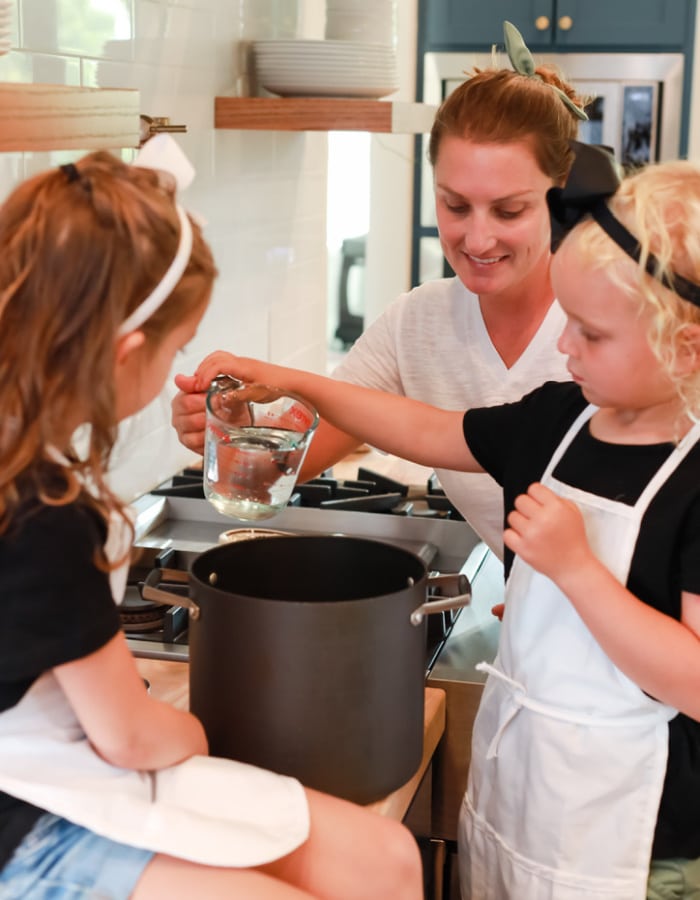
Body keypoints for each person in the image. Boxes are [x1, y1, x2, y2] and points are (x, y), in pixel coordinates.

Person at [178, 147, 700, 899]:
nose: (563, 346)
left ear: (683, 348)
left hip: (638, 846)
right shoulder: (566, 419)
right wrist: (293, 382)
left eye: (589, 333)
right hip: (522, 803)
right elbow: (423, 429)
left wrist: (576, 573)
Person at [0, 151, 423, 900]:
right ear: (124, 352)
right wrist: (197, 735)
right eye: (177, 345)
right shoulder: (45, 513)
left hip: (48, 767)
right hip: (25, 821)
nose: (177, 366)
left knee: (387, 857)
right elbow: (130, 735)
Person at [171, 21, 588, 558]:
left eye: (509, 210)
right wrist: (227, 432)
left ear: (560, 196)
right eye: (455, 205)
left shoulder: (605, 327)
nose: (477, 237)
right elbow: (275, 469)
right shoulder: (417, 326)